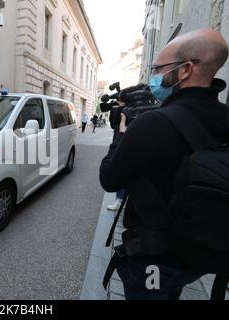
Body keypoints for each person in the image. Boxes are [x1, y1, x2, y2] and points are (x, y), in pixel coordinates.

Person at [100, 29, 229, 300]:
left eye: (159, 67)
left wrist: (121, 135)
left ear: (185, 70)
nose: (154, 75)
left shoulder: (154, 123)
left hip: (155, 259)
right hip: (202, 252)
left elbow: (109, 178)